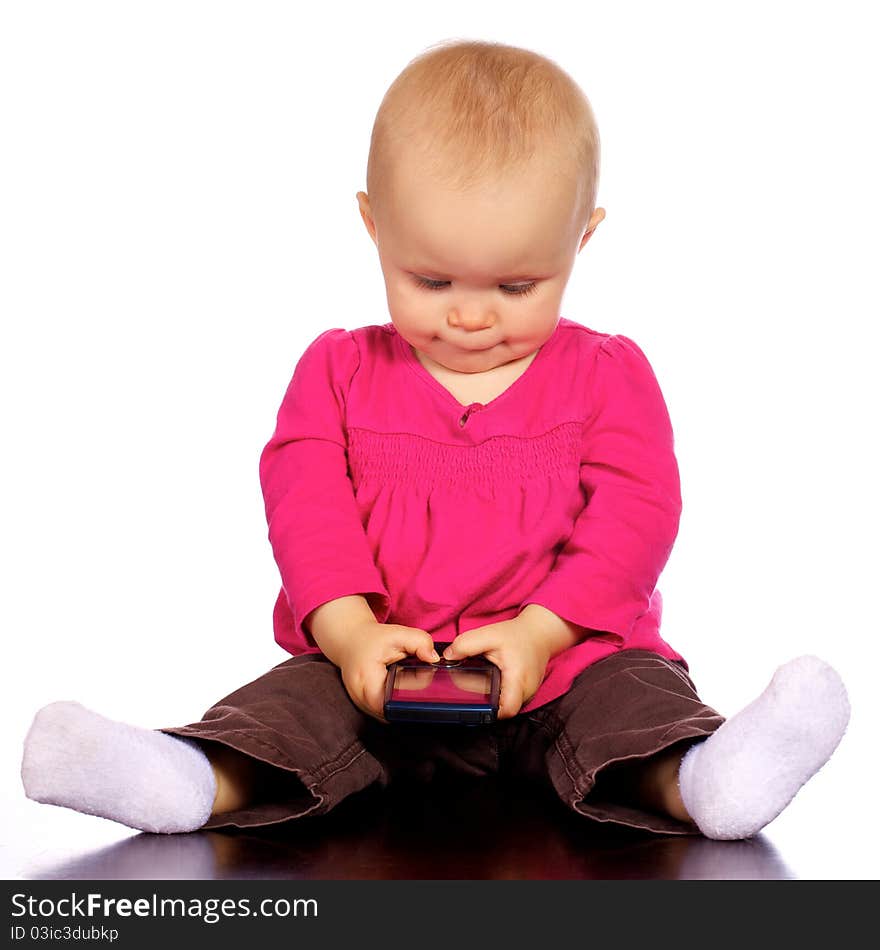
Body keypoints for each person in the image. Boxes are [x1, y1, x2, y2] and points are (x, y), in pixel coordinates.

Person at [21, 39, 850, 841]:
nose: (471, 314)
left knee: (631, 704)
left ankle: (705, 778)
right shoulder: (337, 370)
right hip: (379, 667)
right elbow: (306, 510)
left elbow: (636, 518)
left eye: (518, 285)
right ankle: (186, 780)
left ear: (581, 240)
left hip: (565, 663)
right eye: (432, 280)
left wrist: (542, 632)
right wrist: (350, 637)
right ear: (374, 228)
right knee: (287, 714)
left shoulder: (606, 374)